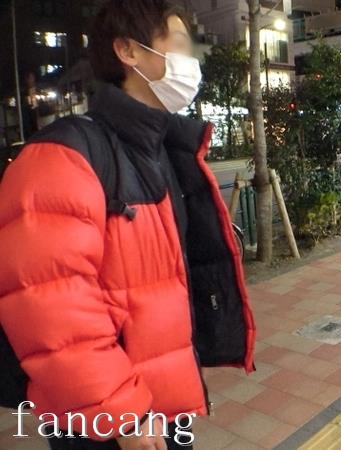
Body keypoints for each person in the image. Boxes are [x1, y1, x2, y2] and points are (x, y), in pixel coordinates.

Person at [0, 1, 256, 448]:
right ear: (128, 51)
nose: (191, 61)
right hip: (105, 418)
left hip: (158, 397)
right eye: (179, 44)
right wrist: (124, 414)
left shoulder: (161, 148)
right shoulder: (64, 156)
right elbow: (52, 310)